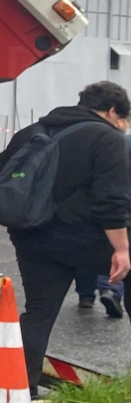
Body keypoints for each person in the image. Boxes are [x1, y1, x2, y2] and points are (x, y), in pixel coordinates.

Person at [0, 81, 131, 396]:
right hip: (84, 239)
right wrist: (121, 249)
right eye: (124, 119)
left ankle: (17, 391)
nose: (123, 126)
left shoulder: (32, 131)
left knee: (38, 312)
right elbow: (111, 202)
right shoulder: (108, 138)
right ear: (112, 111)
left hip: (32, 238)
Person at [75, 129, 131, 318]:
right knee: (115, 251)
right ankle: (111, 289)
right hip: (118, 208)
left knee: (88, 250)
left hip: (88, 208)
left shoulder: (93, 141)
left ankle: (85, 295)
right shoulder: (119, 144)